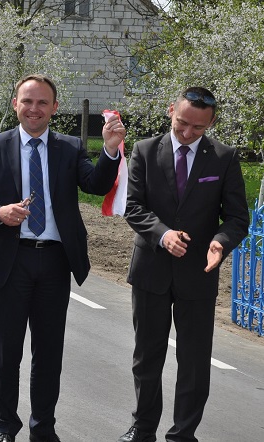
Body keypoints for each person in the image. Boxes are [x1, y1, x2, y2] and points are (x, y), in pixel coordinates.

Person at [0, 74, 126, 442]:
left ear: (54, 108)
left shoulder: (69, 147)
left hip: (55, 263)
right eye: (27, 101)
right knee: (6, 356)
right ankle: (6, 428)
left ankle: (43, 429)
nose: (34, 109)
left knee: (48, 355)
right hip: (11, 262)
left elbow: (95, 185)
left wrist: (111, 150)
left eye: (42, 103)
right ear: (15, 104)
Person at [117, 87, 248, 442]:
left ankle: (182, 435)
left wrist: (220, 244)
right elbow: (133, 207)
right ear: (171, 109)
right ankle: (142, 429)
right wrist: (162, 234)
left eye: (198, 129)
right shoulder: (145, 151)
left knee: (193, 362)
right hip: (151, 271)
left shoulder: (223, 157)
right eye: (181, 124)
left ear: (211, 123)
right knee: (147, 358)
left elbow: (236, 217)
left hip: (198, 275)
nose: (188, 133)